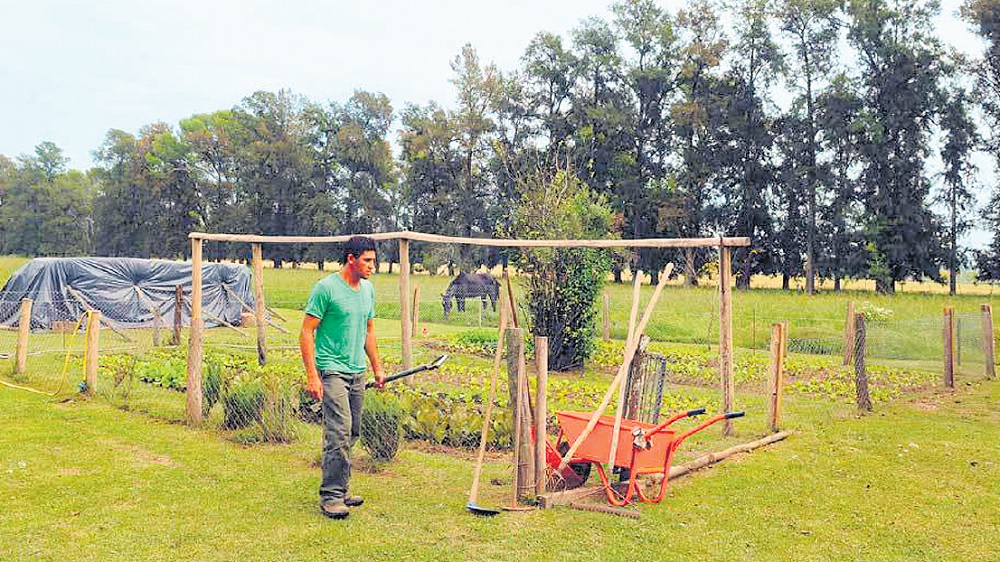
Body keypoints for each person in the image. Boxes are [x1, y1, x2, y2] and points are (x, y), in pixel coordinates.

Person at [300, 236, 385, 519]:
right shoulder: (326, 288)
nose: (373, 266)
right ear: (351, 259)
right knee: (338, 431)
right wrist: (313, 375)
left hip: (357, 369)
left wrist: (377, 368)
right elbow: (306, 332)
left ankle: (342, 487)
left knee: (353, 430)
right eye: (368, 260)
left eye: (374, 260)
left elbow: (369, 330)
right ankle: (332, 495)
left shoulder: (368, 290)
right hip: (332, 368)